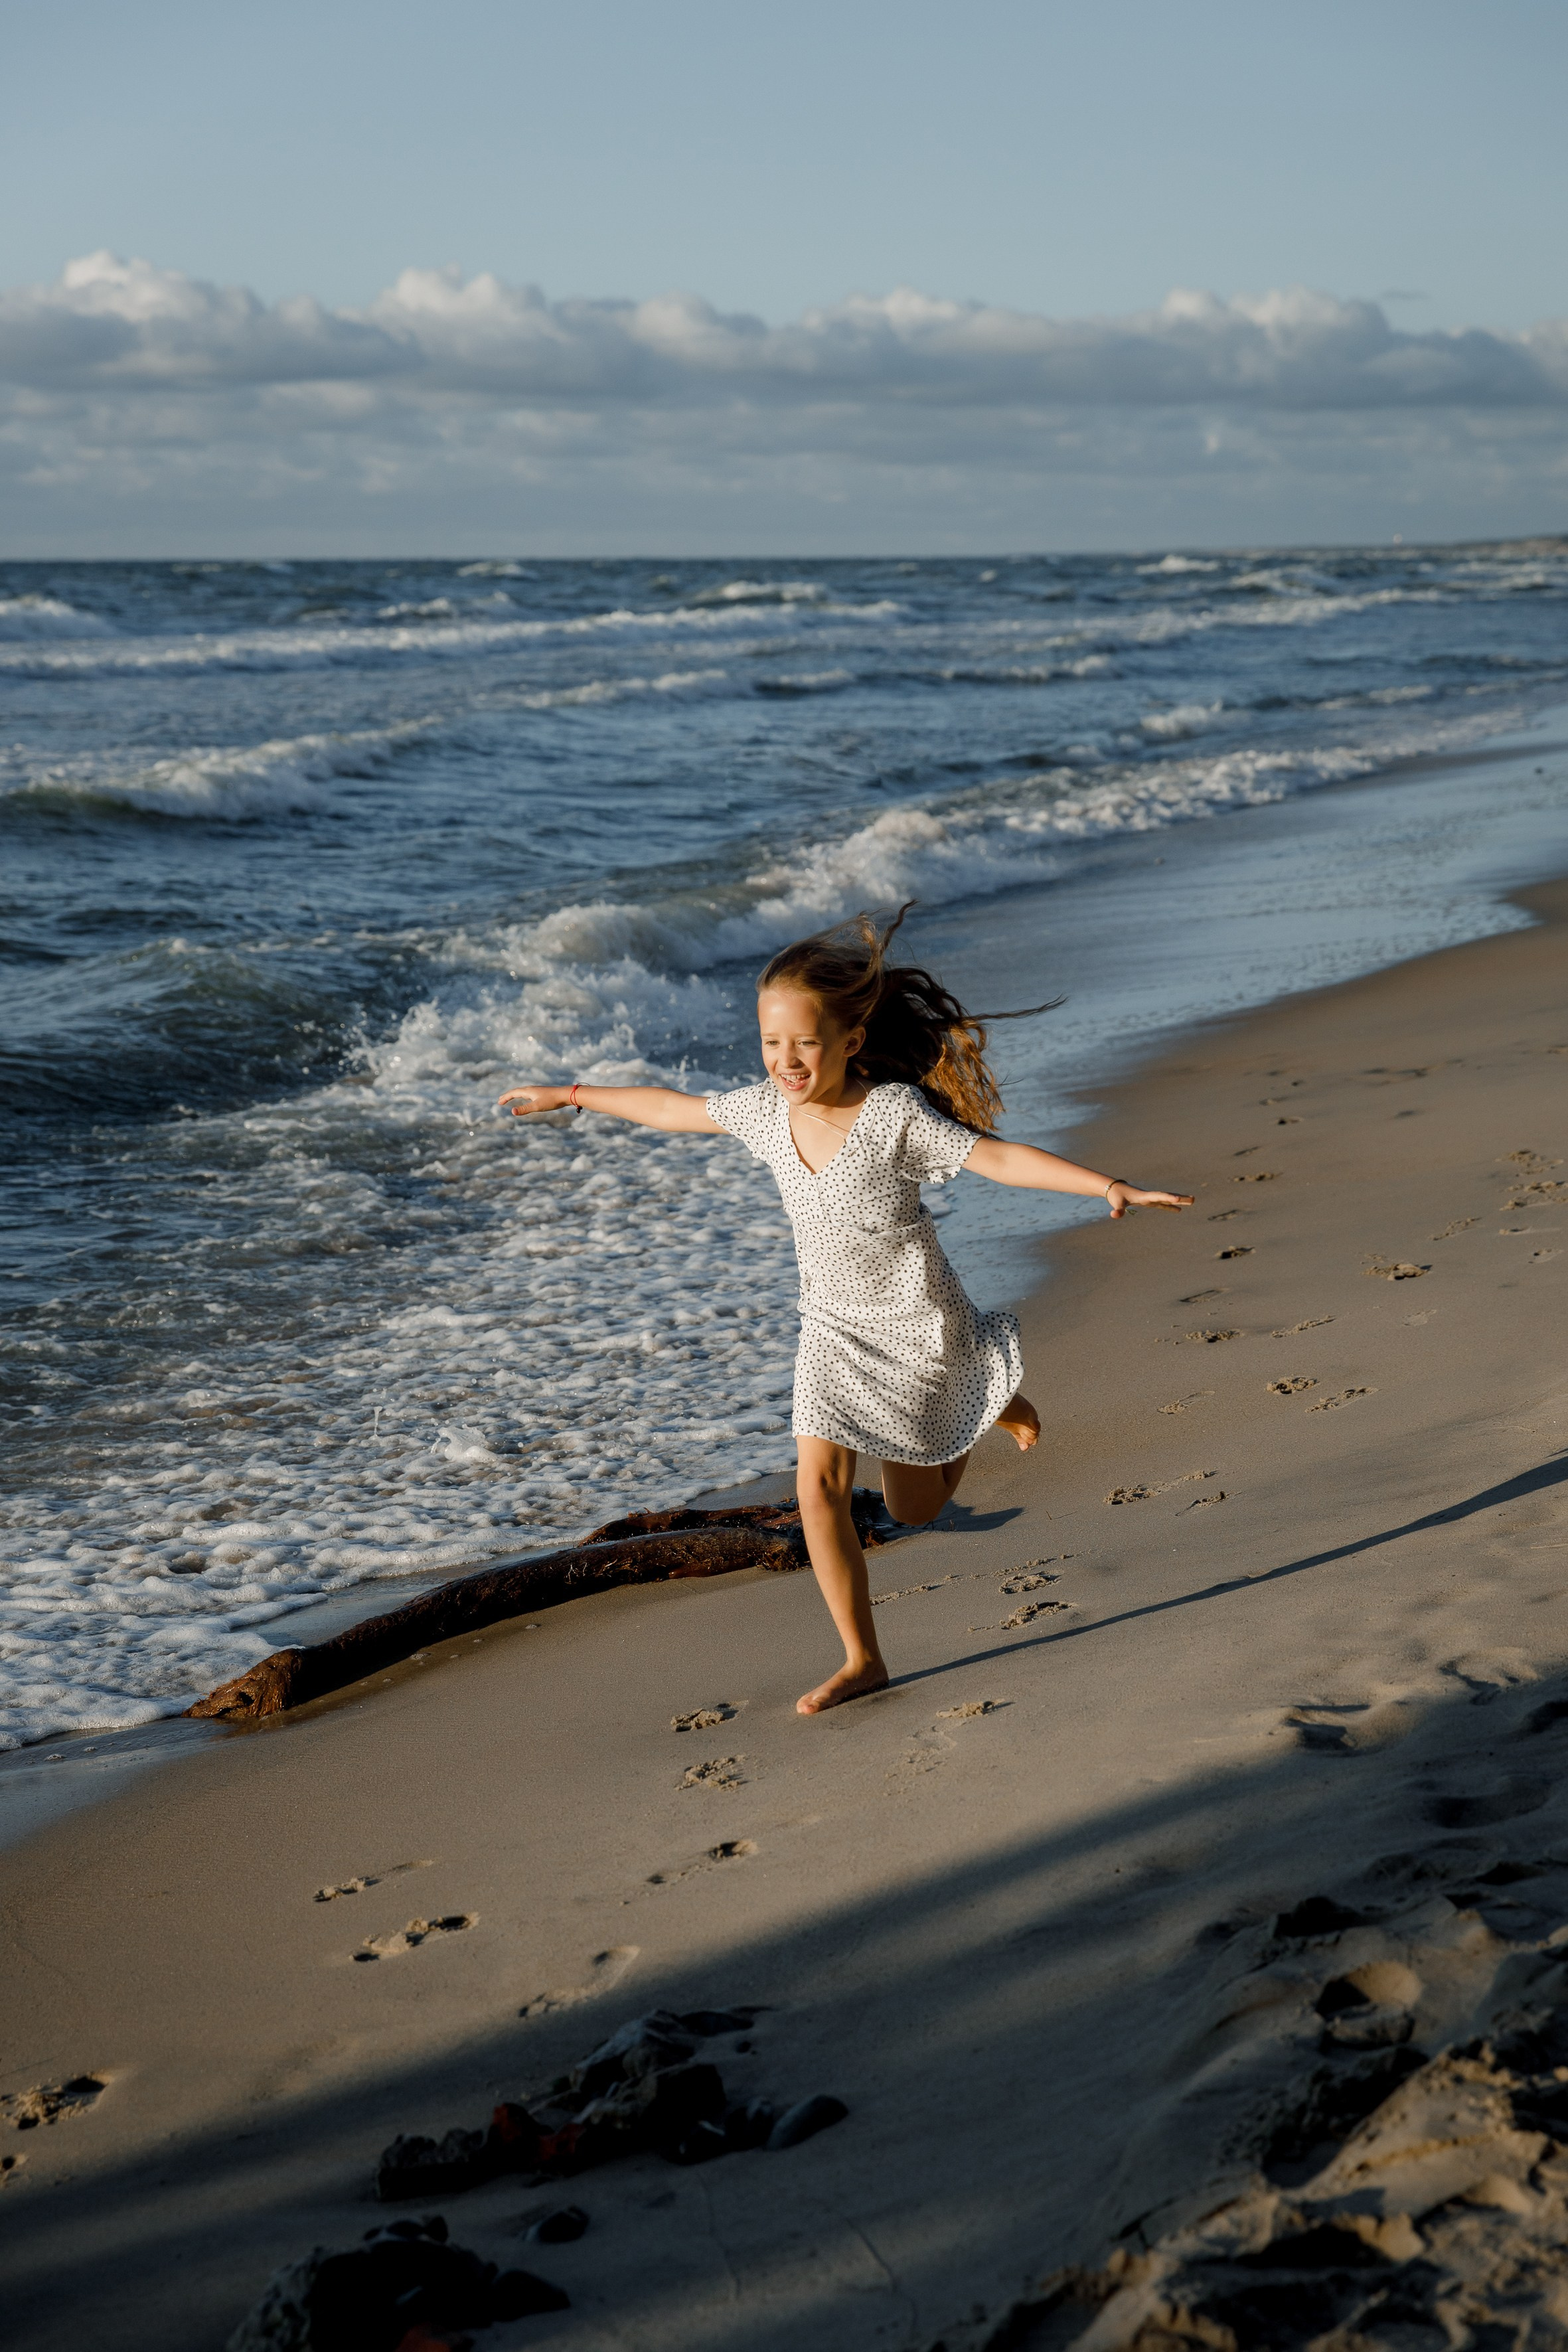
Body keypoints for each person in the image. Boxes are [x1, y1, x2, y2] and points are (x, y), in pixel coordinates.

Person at [498, 907, 1192, 1715]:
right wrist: (572, 1094)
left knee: (913, 1510)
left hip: (918, 1327)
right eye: (770, 1043)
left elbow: (996, 1158)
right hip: (830, 1331)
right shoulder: (765, 1111)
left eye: (804, 1043)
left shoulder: (892, 1115)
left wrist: (1106, 1186)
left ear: (851, 1039)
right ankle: (862, 1657)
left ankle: (984, 1390)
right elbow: (671, 1108)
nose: (785, 1061)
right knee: (817, 1488)